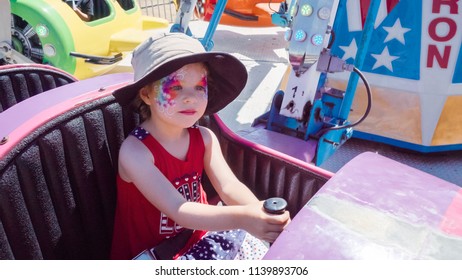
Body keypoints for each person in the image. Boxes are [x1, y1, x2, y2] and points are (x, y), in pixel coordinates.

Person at [110, 32, 291, 260]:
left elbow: (229, 187)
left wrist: (262, 215)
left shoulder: (205, 138)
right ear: (146, 94)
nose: (191, 98)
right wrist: (244, 217)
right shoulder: (135, 152)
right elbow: (179, 210)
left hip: (200, 238)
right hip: (156, 254)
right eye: (176, 87)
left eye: (198, 87)